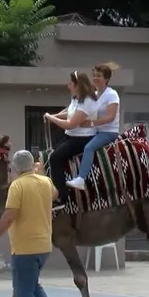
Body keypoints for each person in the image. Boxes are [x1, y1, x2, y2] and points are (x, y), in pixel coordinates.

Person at [0, 150, 64, 297]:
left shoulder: (17, 185)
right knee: (32, 286)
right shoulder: (45, 182)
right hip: (43, 245)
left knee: (24, 291)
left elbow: (10, 214)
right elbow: (55, 194)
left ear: (15, 167)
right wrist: (42, 173)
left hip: (25, 247)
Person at [44, 71, 99, 210]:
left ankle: (61, 198)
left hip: (82, 139)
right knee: (51, 153)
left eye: (70, 83)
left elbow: (70, 124)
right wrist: (54, 115)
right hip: (71, 137)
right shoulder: (77, 98)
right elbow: (69, 112)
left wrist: (51, 118)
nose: (68, 86)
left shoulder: (88, 102)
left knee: (55, 158)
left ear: (77, 85)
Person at [65, 62, 121, 191]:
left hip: (108, 132)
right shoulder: (95, 94)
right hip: (95, 131)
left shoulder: (112, 94)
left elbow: (110, 117)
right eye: (94, 75)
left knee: (89, 148)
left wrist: (91, 123)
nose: (95, 78)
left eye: (99, 76)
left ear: (106, 79)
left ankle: (81, 179)